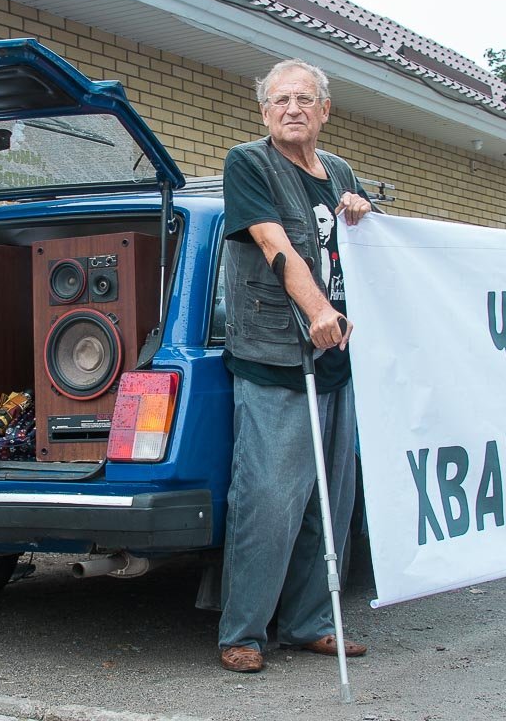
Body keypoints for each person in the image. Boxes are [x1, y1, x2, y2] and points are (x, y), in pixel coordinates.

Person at [217, 59, 372, 673]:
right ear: (264, 111)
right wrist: (317, 311)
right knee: (269, 501)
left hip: (337, 358)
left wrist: (360, 209)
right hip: (276, 357)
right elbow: (272, 241)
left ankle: (310, 623)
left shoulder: (338, 171)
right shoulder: (248, 163)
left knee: (329, 502)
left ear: (325, 110)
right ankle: (244, 632)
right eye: (280, 100)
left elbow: (353, 244)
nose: (292, 109)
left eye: (304, 99)